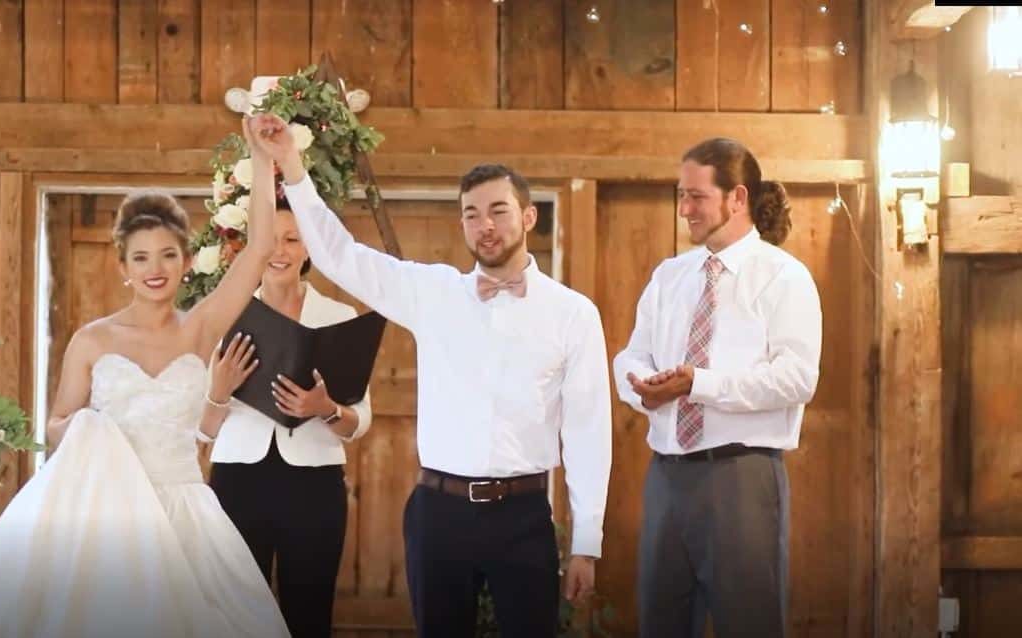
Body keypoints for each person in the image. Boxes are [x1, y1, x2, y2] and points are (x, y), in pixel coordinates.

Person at [0, 118, 288, 638]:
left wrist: (262, 156)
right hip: (108, 516)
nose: (155, 268)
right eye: (141, 258)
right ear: (123, 268)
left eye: (167, 255)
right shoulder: (93, 339)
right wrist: (90, 429)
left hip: (184, 516)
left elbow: (261, 249)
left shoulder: (201, 327)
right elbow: (57, 424)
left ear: (183, 263)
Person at [248, 113, 613, 637]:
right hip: (438, 514)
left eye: (498, 211)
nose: (484, 225)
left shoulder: (573, 313)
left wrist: (586, 542)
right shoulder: (433, 292)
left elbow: (587, 430)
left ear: (529, 217)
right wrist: (292, 166)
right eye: (470, 214)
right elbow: (339, 255)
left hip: (525, 514)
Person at [613, 137, 821, 638]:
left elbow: (798, 378)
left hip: (742, 479)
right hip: (666, 478)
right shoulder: (670, 276)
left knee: (749, 626)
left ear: (737, 198)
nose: (684, 209)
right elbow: (630, 354)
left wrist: (698, 384)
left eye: (697, 196)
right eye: (680, 195)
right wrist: (640, 385)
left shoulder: (784, 277)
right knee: (658, 625)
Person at [200, 196, 373, 638]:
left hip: (314, 485)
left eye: (293, 239)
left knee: (310, 613)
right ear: (250, 248)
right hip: (238, 479)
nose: (280, 251)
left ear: (310, 248)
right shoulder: (224, 317)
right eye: (270, 240)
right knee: (235, 617)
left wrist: (325, 409)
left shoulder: (339, 318)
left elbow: (360, 422)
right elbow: (198, 432)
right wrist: (218, 392)